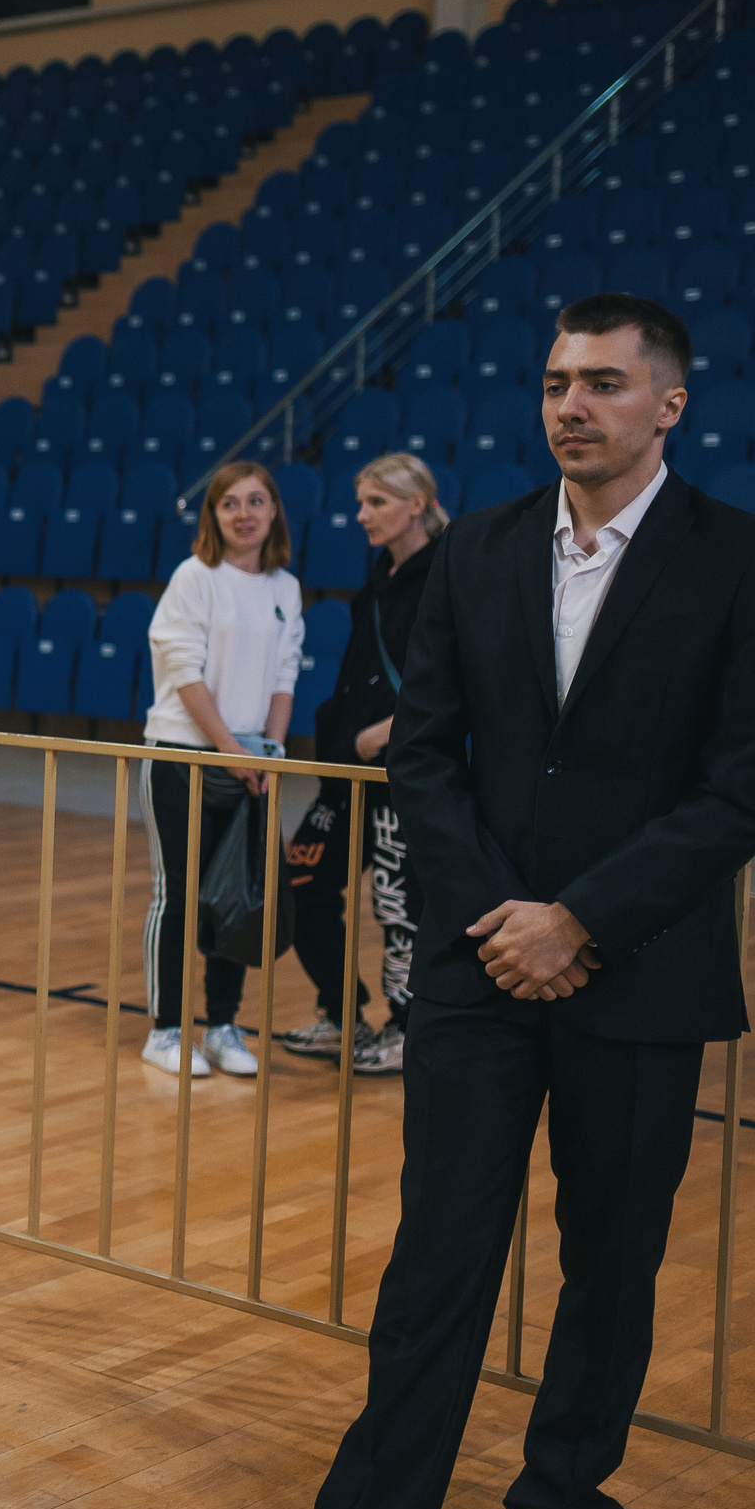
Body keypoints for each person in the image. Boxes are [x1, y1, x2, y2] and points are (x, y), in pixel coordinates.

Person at [301, 294, 755, 1509]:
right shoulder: (481, 549)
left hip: (641, 968)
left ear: (669, 403)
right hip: (481, 961)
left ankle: (562, 1508)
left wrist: (581, 921)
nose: (572, 405)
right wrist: (502, 919)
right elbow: (423, 755)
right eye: (558, 382)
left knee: (609, 1265)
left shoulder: (739, 558)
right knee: (437, 1254)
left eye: (604, 383)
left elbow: (740, 787)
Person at [276, 452, 444, 1077]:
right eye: (361, 502)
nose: (362, 515)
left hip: (401, 775)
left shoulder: (446, 578)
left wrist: (388, 733)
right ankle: (341, 1014)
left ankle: (407, 1028)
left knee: (399, 906)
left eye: (376, 502)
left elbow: (463, 682)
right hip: (344, 775)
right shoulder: (379, 577)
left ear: (417, 504)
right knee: (300, 884)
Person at [138, 460, 304, 1081]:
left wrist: (270, 752)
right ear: (213, 515)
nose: (244, 514)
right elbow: (184, 672)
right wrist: (232, 750)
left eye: (256, 501)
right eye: (229, 503)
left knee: (237, 896)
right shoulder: (194, 577)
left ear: (273, 511)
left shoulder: (286, 587)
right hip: (183, 758)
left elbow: (285, 675)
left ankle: (222, 1027)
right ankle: (165, 1031)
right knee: (179, 895)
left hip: (250, 764)